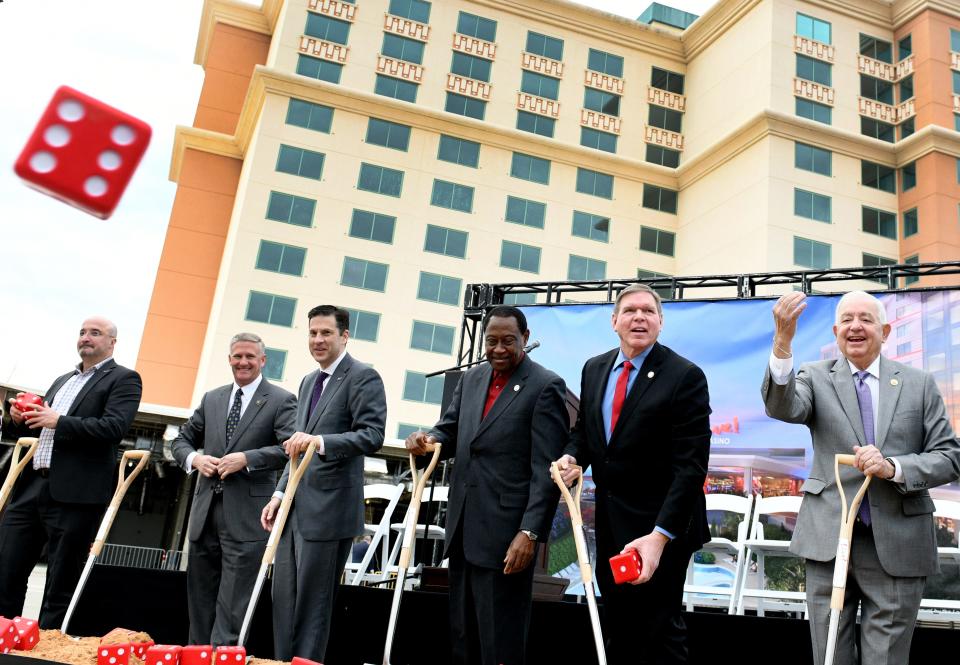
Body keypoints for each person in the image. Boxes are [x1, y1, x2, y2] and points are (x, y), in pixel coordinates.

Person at [762, 290, 960, 665]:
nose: (856, 326)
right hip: (828, 538)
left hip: (899, 540)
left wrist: (893, 467)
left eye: (866, 319)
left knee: (885, 658)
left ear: (885, 331)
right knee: (829, 653)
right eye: (847, 320)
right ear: (836, 331)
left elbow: (950, 457)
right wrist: (783, 342)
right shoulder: (814, 376)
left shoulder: (919, 384)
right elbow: (782, 406)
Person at [556, 284, 711, 664]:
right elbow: (586, 435)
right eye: (629, 311)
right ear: (614, 321)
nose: (638, 317)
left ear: (660, 323)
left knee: (658, 631)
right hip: (612, 523)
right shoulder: (595, 368)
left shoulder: (685, 376)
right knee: (621, 627)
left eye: (648, 311)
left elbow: (690, 468)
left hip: (662, 529)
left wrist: (659, 538)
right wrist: (571, 456)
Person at [406, 305, 568, 665]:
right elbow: (448, 431)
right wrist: (426, 438)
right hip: (463, 529)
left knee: (499, 642)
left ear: (524, 339)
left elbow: (546, 469)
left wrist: (529, 532)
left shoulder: (546, 386)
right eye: (491, 341)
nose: (498, 349)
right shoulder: (472, 379)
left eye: (508, 341)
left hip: (507, 538)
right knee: (464, 636)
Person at [261, 305, 386, 662]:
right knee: (283, 600)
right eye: (313, 333)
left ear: (345, 336)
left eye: (326, 333)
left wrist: (323, 442)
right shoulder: (307, 381)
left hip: (330, 513)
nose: (318, 340)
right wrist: (279, 492)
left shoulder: (364, 377)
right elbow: (295, 448)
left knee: (312, 606)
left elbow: (372, 434)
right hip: (294, 510)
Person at [0, 316, 142, 627]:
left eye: (95, 333)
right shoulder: (62, 379)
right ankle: (5, 639)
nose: (86, 338)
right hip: (32, 488)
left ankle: (49, 650)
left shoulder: (124, 379)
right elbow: (44, 428)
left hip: (77, 494)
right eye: (82, 332)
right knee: (5, 572)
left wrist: (59, 420)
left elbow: (113, 428)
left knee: (60, 584)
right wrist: (18, 419)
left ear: (112, 343)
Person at [171, 332, 296, 646]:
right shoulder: (212, 398)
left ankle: (224, 657)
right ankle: (197, 655)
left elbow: (290, 449)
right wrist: (195, 459)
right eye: (237, 356)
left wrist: (248, 459)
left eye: (250, 357)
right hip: (204, 516)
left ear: (263, 361)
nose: (243, 362)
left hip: (247, 519)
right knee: (199, 602)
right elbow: (181, 440)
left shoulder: (281, 400)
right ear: (229, 359)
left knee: (234, 605)